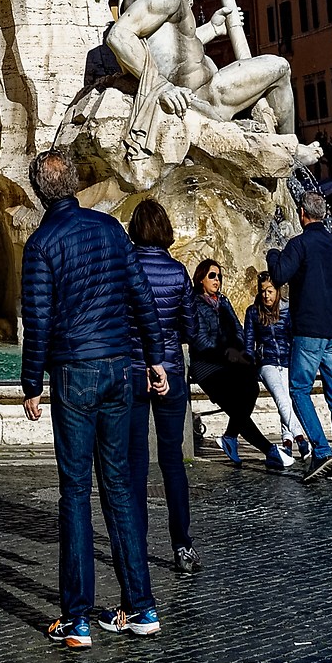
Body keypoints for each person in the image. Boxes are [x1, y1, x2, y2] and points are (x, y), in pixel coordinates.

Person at [20, 147, 165, 650]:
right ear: (77, 184)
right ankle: (140, 606)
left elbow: (37, 320)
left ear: (41, 191)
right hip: (120, 369)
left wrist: (31, 383)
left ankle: (77, 618)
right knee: (121, 487)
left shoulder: (41, 243)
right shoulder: (109, 230)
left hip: (74, 373)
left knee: (76, 492)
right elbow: (141, 295)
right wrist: (157, 358)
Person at [125, 203, 199, 572]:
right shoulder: (177, 272)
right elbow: (190, 328)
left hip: (134, 372)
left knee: (134, 464)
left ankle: (135, 543)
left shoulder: (125, 270)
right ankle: (182, 544)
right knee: (172, 462)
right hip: (169, 369)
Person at [267, 193, 332, 481]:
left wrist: (272, 254)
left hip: (309, 330)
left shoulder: (299, 244)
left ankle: (321, 450)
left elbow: (279, 275)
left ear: (302, 213)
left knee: (299, 389)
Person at [189, 256, 291, 472]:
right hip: (206, 366)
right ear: (201, 279)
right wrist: (225, 353)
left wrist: (240, 352)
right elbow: (200, 340)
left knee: (251, 387)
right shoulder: (194, 304)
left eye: (219, 276)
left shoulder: (223, 301)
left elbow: (237, 328)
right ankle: (270, 451)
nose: (217, 280)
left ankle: (230, 436)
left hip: (227, 361)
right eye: (212, 276)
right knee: (236, 407)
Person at [248, 275, 306, 457]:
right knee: (281, 398)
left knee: (287, 401)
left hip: (287, 361)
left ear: (278, 291)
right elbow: (248, 342)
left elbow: (294, 338)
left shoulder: (288, 311)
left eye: (270, 291)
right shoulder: (253, 312)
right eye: (263, 291)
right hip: (267, 363)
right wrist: (251, 365)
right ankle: (301, 438)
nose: (266, 295)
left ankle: (287, 443)